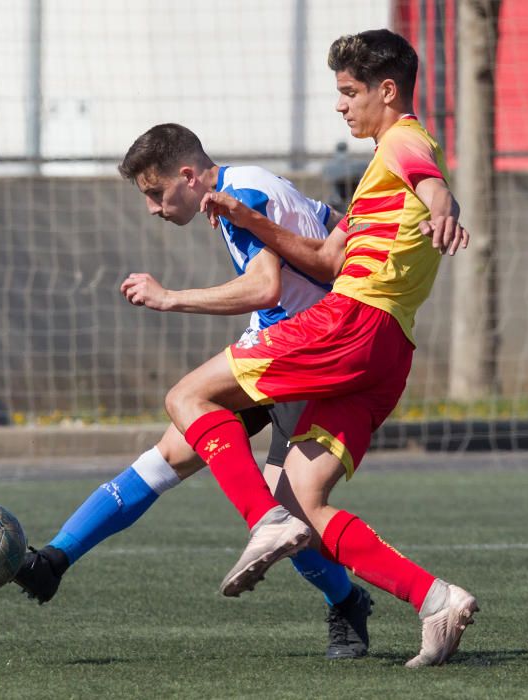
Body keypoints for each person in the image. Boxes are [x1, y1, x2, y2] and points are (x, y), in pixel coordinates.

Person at [163, 29, 475, 668]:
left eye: (349, 91)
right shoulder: (375, 176)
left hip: (352, 324)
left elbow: (431, 181)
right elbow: (325, 257)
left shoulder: (403, 141)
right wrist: (248, 220)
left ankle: (261, 522)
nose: (341, 105)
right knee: (303, 496)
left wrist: (443, 206)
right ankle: (435, 599)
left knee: (187, 396)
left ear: (387, 92)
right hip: (389, 350)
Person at [13, 123, 374, 660]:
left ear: (188, 176)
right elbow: (326, 231)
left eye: (155, 194)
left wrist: (170, 297)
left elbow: (265, 285)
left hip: (305, 358)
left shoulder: (241, 194)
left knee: (286, 513)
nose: (153, 209)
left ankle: (345, 600)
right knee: (169, 455)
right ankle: (55, 562)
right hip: (276, 345)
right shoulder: (251, 187)